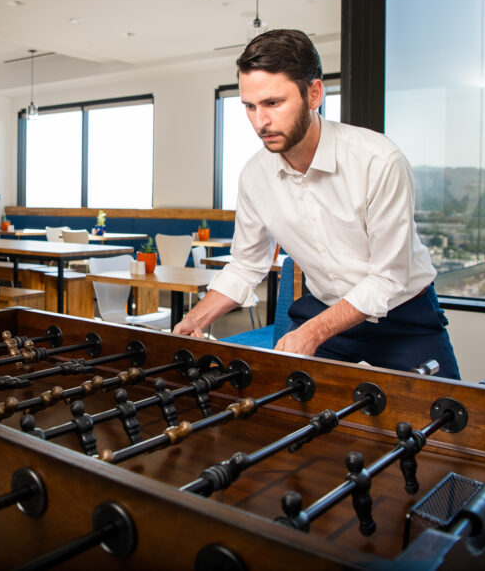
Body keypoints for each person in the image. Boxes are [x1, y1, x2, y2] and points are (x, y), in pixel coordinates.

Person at [174, 29, 459, 379]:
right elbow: (247, 265)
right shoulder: (253, 176)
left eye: (273, 103)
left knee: (446, 423)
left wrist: (312, 332)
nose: (260, 122)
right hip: (323, 306)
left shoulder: (379, 160)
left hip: (402, 313)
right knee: (283, 414)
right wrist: (195, 318)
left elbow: (388, 278)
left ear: (314, 93)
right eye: (250, 106)